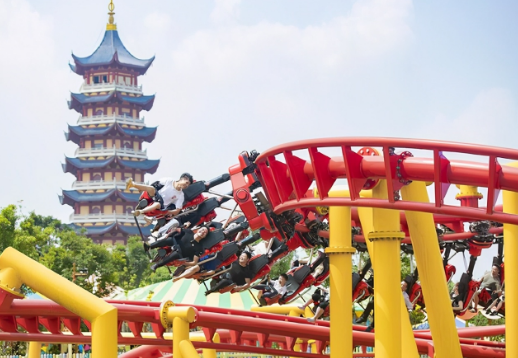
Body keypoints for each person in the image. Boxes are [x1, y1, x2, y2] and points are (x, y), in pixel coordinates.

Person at [126, 173, 193, 217]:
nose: (186, 185)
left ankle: (140, 212)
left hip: (160, 205)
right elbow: (155, 184)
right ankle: (132, 184)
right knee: (152, 189)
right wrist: (142, 188)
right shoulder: (169, 180)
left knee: (157, 204)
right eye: (187, 182)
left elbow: (177, 211)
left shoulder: (180, 195)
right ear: (182, 178)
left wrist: (166, 212)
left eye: (188, 185)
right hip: (154, 195)